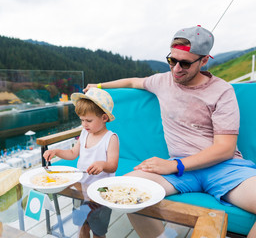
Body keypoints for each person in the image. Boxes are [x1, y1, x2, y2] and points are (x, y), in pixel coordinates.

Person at [83, 25, 256, 238]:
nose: (176, 69)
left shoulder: (222, 91)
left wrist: (174, 165)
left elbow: (225, 148)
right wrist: (99, 86)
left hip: (224, 168)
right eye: (172, 60)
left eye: (184, 63)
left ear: (203, 61)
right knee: (125, 188)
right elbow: (133, 81)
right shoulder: (162, 81)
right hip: (179, 172)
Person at [43, 88, 119, 238]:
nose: (84, 124)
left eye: (88, 120)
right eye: (82, 120)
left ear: (104, 118)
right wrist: (57, 151)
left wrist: (102, 165)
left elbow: (113, 165)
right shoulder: (84, 133)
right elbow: (72, 154)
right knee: (82, 225)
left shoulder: (111, 138)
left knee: (98, 230)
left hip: (100, 193)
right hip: (81, 189)